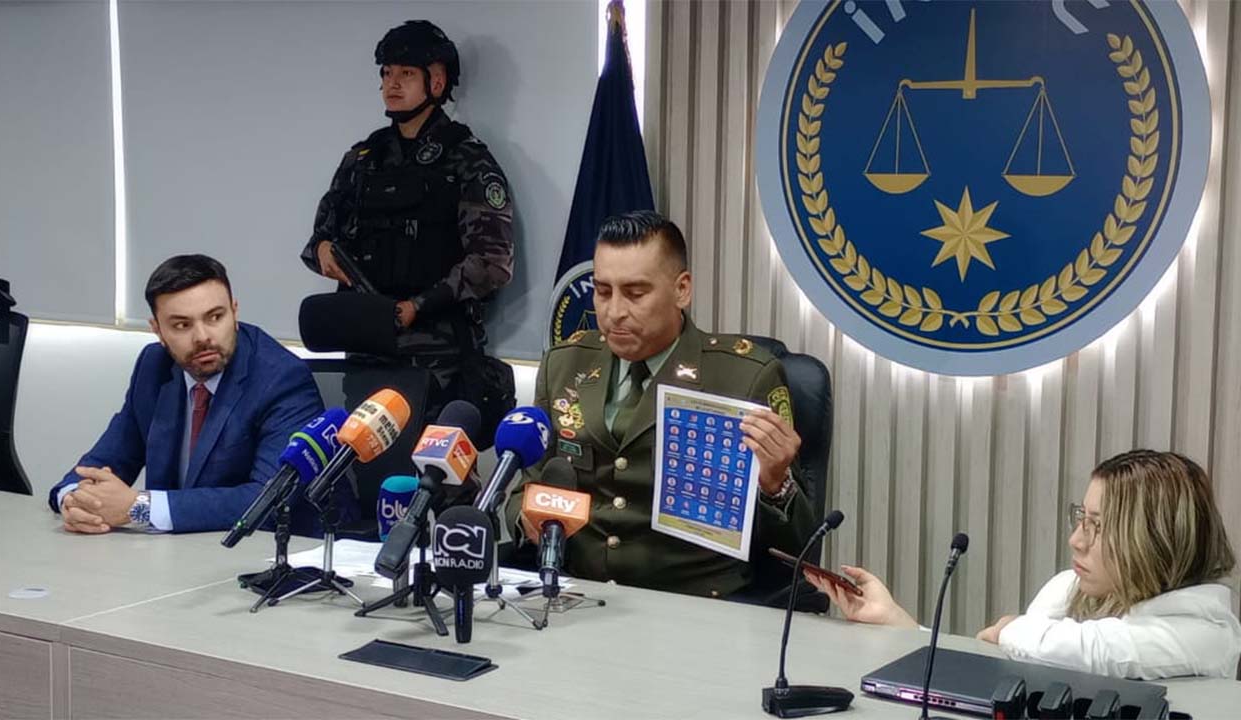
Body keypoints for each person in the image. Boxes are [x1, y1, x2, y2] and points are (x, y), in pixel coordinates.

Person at [505, 210, 818, 599]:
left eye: (635, 294)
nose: (614, 311)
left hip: (692, 602)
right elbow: (528, 482)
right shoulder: (565, 363)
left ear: (682, 290)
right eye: (603, 291)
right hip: (574, 592)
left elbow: (799, 545)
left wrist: (775, 486)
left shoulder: (744, 377)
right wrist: (525, 517)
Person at [808, 450, 1241, 679]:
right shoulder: (1070, 588)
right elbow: (997, 670)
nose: (1076, 540)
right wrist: (898, 625)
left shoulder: (1209, 631)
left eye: (1097, 526)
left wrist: (1013, 629)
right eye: (1081, 519)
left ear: (1155, 541)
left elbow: (1101, 653)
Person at [301, 19, 514, 443]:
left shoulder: (467, 160)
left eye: (405, 73)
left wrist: (417, 306)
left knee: (432, 467)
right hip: (367, 346)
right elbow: (319, 237)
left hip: (438, 355)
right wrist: (323, 250)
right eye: (386, 73)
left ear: (437, 81)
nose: (391, 84)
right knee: (362, 459)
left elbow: (492, 263)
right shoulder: (363, 159)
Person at [47, 255, 332, 535]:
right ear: (158, 330)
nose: (203, 337)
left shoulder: (281, 378)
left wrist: (139, 508)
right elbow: (105, 460)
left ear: (234, 313)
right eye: (182, 325)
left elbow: (268, 500)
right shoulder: (153, 366)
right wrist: (74, 500)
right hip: (175, 552)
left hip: (269, 551)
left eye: (215, 317)